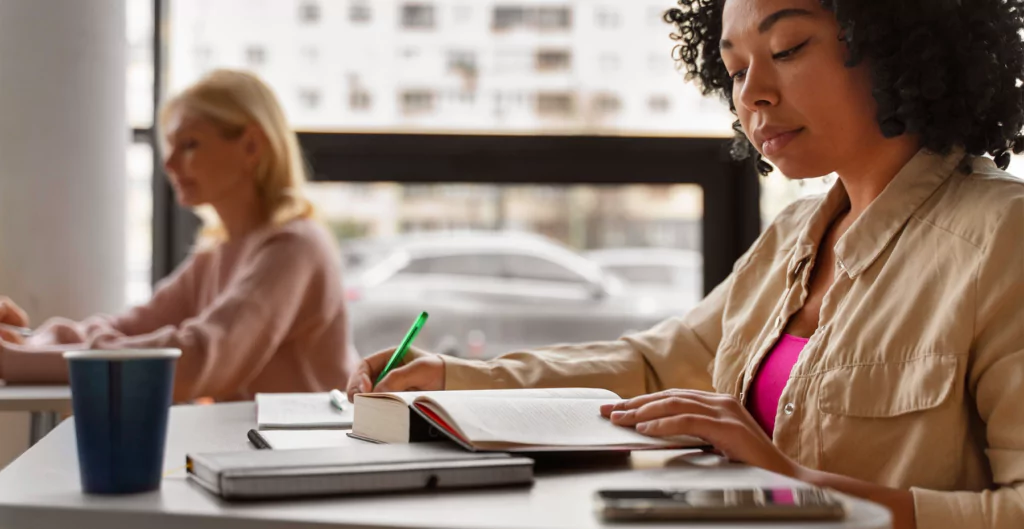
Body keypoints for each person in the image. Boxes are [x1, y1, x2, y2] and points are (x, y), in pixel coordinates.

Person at [347, 1, 1024, 527]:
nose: (752, 93)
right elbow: (654, 366)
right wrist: (450, 379)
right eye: (734, 69)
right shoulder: (794, 234)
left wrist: (789, 480)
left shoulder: (1002, 236)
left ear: (900, 42)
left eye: (786, 48)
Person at [0, 69, 358, 402]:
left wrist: (19, 361)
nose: (169, 163)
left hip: (310, 458)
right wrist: (37, 342)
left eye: (189, 144)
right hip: (252, 456)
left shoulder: (294, 247)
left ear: (251, 146)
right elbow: (129, 327)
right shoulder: (217, 252)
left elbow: (197, 362)